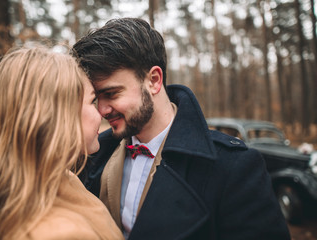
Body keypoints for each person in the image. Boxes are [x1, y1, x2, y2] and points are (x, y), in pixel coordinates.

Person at [72, 18, 291, 240]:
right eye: (96, 99)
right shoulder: (94, 154)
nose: (102, 110)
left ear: (154, 80)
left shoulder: (234, 167)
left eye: (111, 94)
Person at [0, 44, 124, 240]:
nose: (101, 112)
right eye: (91, 101)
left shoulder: (53, 182)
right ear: (59, 116)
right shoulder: (61, 233)